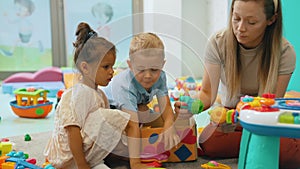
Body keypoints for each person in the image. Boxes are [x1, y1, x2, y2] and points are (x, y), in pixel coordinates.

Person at [175, 0, 299, 168]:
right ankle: (258, 145)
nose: (240, 28)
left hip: (262, 119)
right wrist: (192, 106)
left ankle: (266, 144)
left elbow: (272, 106)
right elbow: (207, 94)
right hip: (230, 115)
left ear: (271, 20)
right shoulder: (218, 43)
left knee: (289, 154)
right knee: (208, 142)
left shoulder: (285, 52)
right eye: (236, 18)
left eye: (251, 22)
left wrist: (243, 120)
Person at [44, 22, 149, 169]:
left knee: (116, 120)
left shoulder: (98, 94)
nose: (111, 71)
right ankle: (135, 162)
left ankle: (116, 157)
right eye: (106, 67)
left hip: (86, 155)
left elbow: (101, 132)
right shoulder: (78, 94)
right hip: (71, 157)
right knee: (123, 120)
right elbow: (72, 131)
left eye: (112, 66)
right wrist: (81, 165)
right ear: (85, 68)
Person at [102, 32, 180, 161]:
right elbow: (132, 125)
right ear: (130, 65)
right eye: (141, 70)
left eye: (154, 69)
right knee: (131, 138)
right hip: (110, 111)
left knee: (148, 114)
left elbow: (166, 108)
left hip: (135, 108)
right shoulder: (125, 86)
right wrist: (136, 162)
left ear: (162, 64)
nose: (148, 76)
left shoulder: (160, 77)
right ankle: (114, 153)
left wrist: (169, 125)